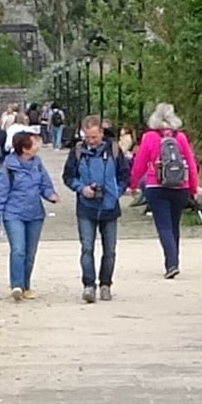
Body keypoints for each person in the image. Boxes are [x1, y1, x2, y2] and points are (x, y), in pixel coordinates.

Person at [63, 115, 131, 302]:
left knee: (110, 250)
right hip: (86, 207)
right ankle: (88, 285)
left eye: (94, 137)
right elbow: (68, 176)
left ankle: (106, 284)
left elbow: (125, 174)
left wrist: (117, 191)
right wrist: (82, 188)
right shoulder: (77, 151)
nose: (90, 141)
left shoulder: (114, 150)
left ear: (101, 133)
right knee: (87, 248)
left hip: (109, 206)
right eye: (87, 137)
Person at [0, 128, 57, 301]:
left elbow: (45, 184)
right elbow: (0, 195)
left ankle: (26, 285)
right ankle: (16, 285)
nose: (38, 145)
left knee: (30, 252)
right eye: (34, 142)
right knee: (18, 249)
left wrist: (50, 195)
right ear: (24, 148)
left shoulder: (38, 163)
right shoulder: (8, 168)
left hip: (35, 214)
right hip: (13, 214)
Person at [131, 103, 201, 278]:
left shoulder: (149, 137)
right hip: (180, 187)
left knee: (164, 226)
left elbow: (139, 163)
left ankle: (171, 264)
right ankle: (173, 261)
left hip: (156, 186)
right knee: (174, 224)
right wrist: (193, 187)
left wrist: (132, 184)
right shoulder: (181, 137)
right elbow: (191, 164)